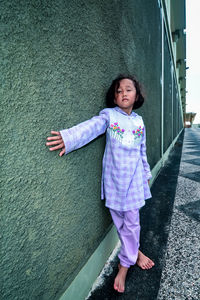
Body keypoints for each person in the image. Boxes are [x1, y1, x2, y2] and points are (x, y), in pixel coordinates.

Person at [46, 74, 154, 293]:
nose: (123, 93)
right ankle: (135, 251)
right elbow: (90, 127)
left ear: (137, 95)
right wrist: (69, 138)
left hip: (134, 183)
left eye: (128, 89)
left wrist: (146, 173)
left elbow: (142, 151)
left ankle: (125, 265)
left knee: (132, 224)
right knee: (122, 226)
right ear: (114, 98)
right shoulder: (109, 117)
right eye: (118, 91)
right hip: (115, 183)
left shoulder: (139, 122)